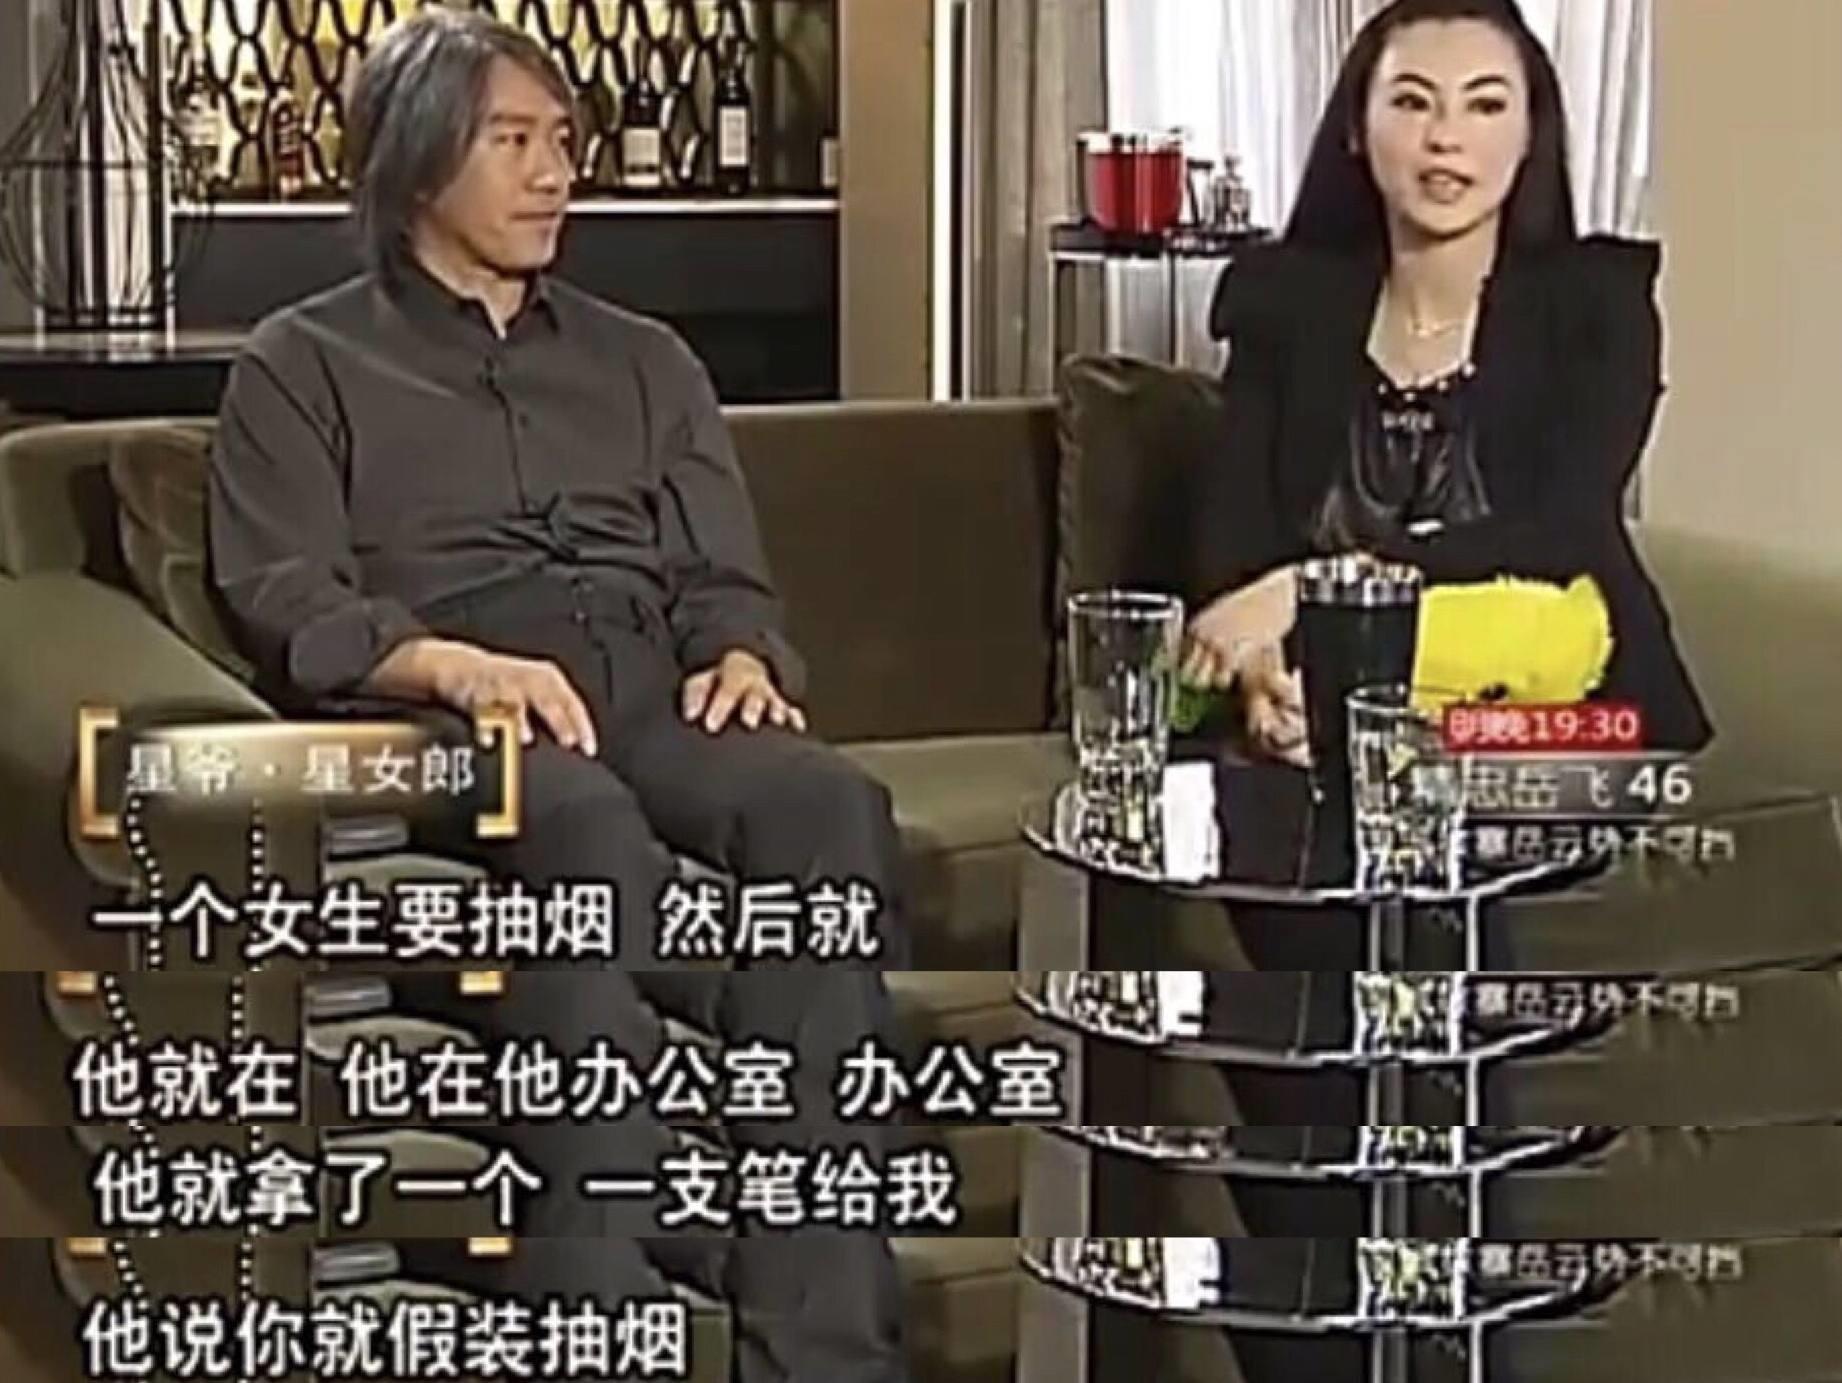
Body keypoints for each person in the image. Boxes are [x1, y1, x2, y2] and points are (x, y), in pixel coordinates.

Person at [205, 10, 909, 1381]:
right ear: (419, 163)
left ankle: (823, 1351)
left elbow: (723, 574)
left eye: (563, 141)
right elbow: (284, 590)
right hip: (452, 697)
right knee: (580, 825)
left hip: (645, 679)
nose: (552, 174)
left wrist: (741, 654)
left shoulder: (646, 360)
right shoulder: (302, 363)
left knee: (827, 807)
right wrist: (449, 665)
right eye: (512, 141)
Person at [1182, 0, 1713, 759]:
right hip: (1333, 725)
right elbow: (1233, 537)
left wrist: (1310, 589)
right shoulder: (1283, 304)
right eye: (1411, 102)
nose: (1445, 137)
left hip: (1561, 735)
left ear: (1530, 133)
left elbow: (1560, 528)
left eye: (1485, 105)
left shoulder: (1598, 309)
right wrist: (1261, 671)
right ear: (1355, 129)